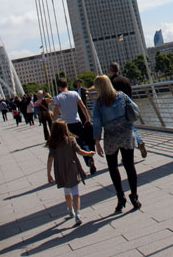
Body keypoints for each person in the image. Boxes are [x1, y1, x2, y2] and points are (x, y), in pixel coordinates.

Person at [93, 74, 141, 213]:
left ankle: (120, 196)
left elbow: (96, 123)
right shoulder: (122, 96)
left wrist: (97, 140)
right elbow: (135, 109)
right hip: (126, 134)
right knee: (129, 165)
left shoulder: (99, 103)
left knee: (113, 167)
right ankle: (134, 196)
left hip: (111, 137)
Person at [46, 120, 95, 226]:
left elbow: (50, 159)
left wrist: (48, 173)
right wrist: (89, 154)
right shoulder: (70, 140)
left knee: (67, 192)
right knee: (75, 192)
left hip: (61, 170)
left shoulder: (53, 144)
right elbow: (80, 151)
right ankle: (78, 214)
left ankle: (70, 209)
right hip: (72, 168)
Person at [53, 79, 96, 174]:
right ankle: (89, 158)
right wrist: (87, 118)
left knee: (69, 146)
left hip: (66, 125)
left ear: (59, 87)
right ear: (67, 85)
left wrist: (54, 122)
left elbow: (56, 112)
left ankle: (72, 167)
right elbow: (83, 107)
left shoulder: (58, 98)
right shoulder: (74, 94)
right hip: (77, 122)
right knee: (82, 142)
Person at [108, 62, 147, 158]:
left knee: (123, 132)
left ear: (110, 70)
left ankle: (129, 151)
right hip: (128, 107)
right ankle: (139, 142)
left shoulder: (111, 82)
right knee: (131, 127)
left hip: (117, 110)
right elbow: (130, 94)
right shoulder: (126, 80)